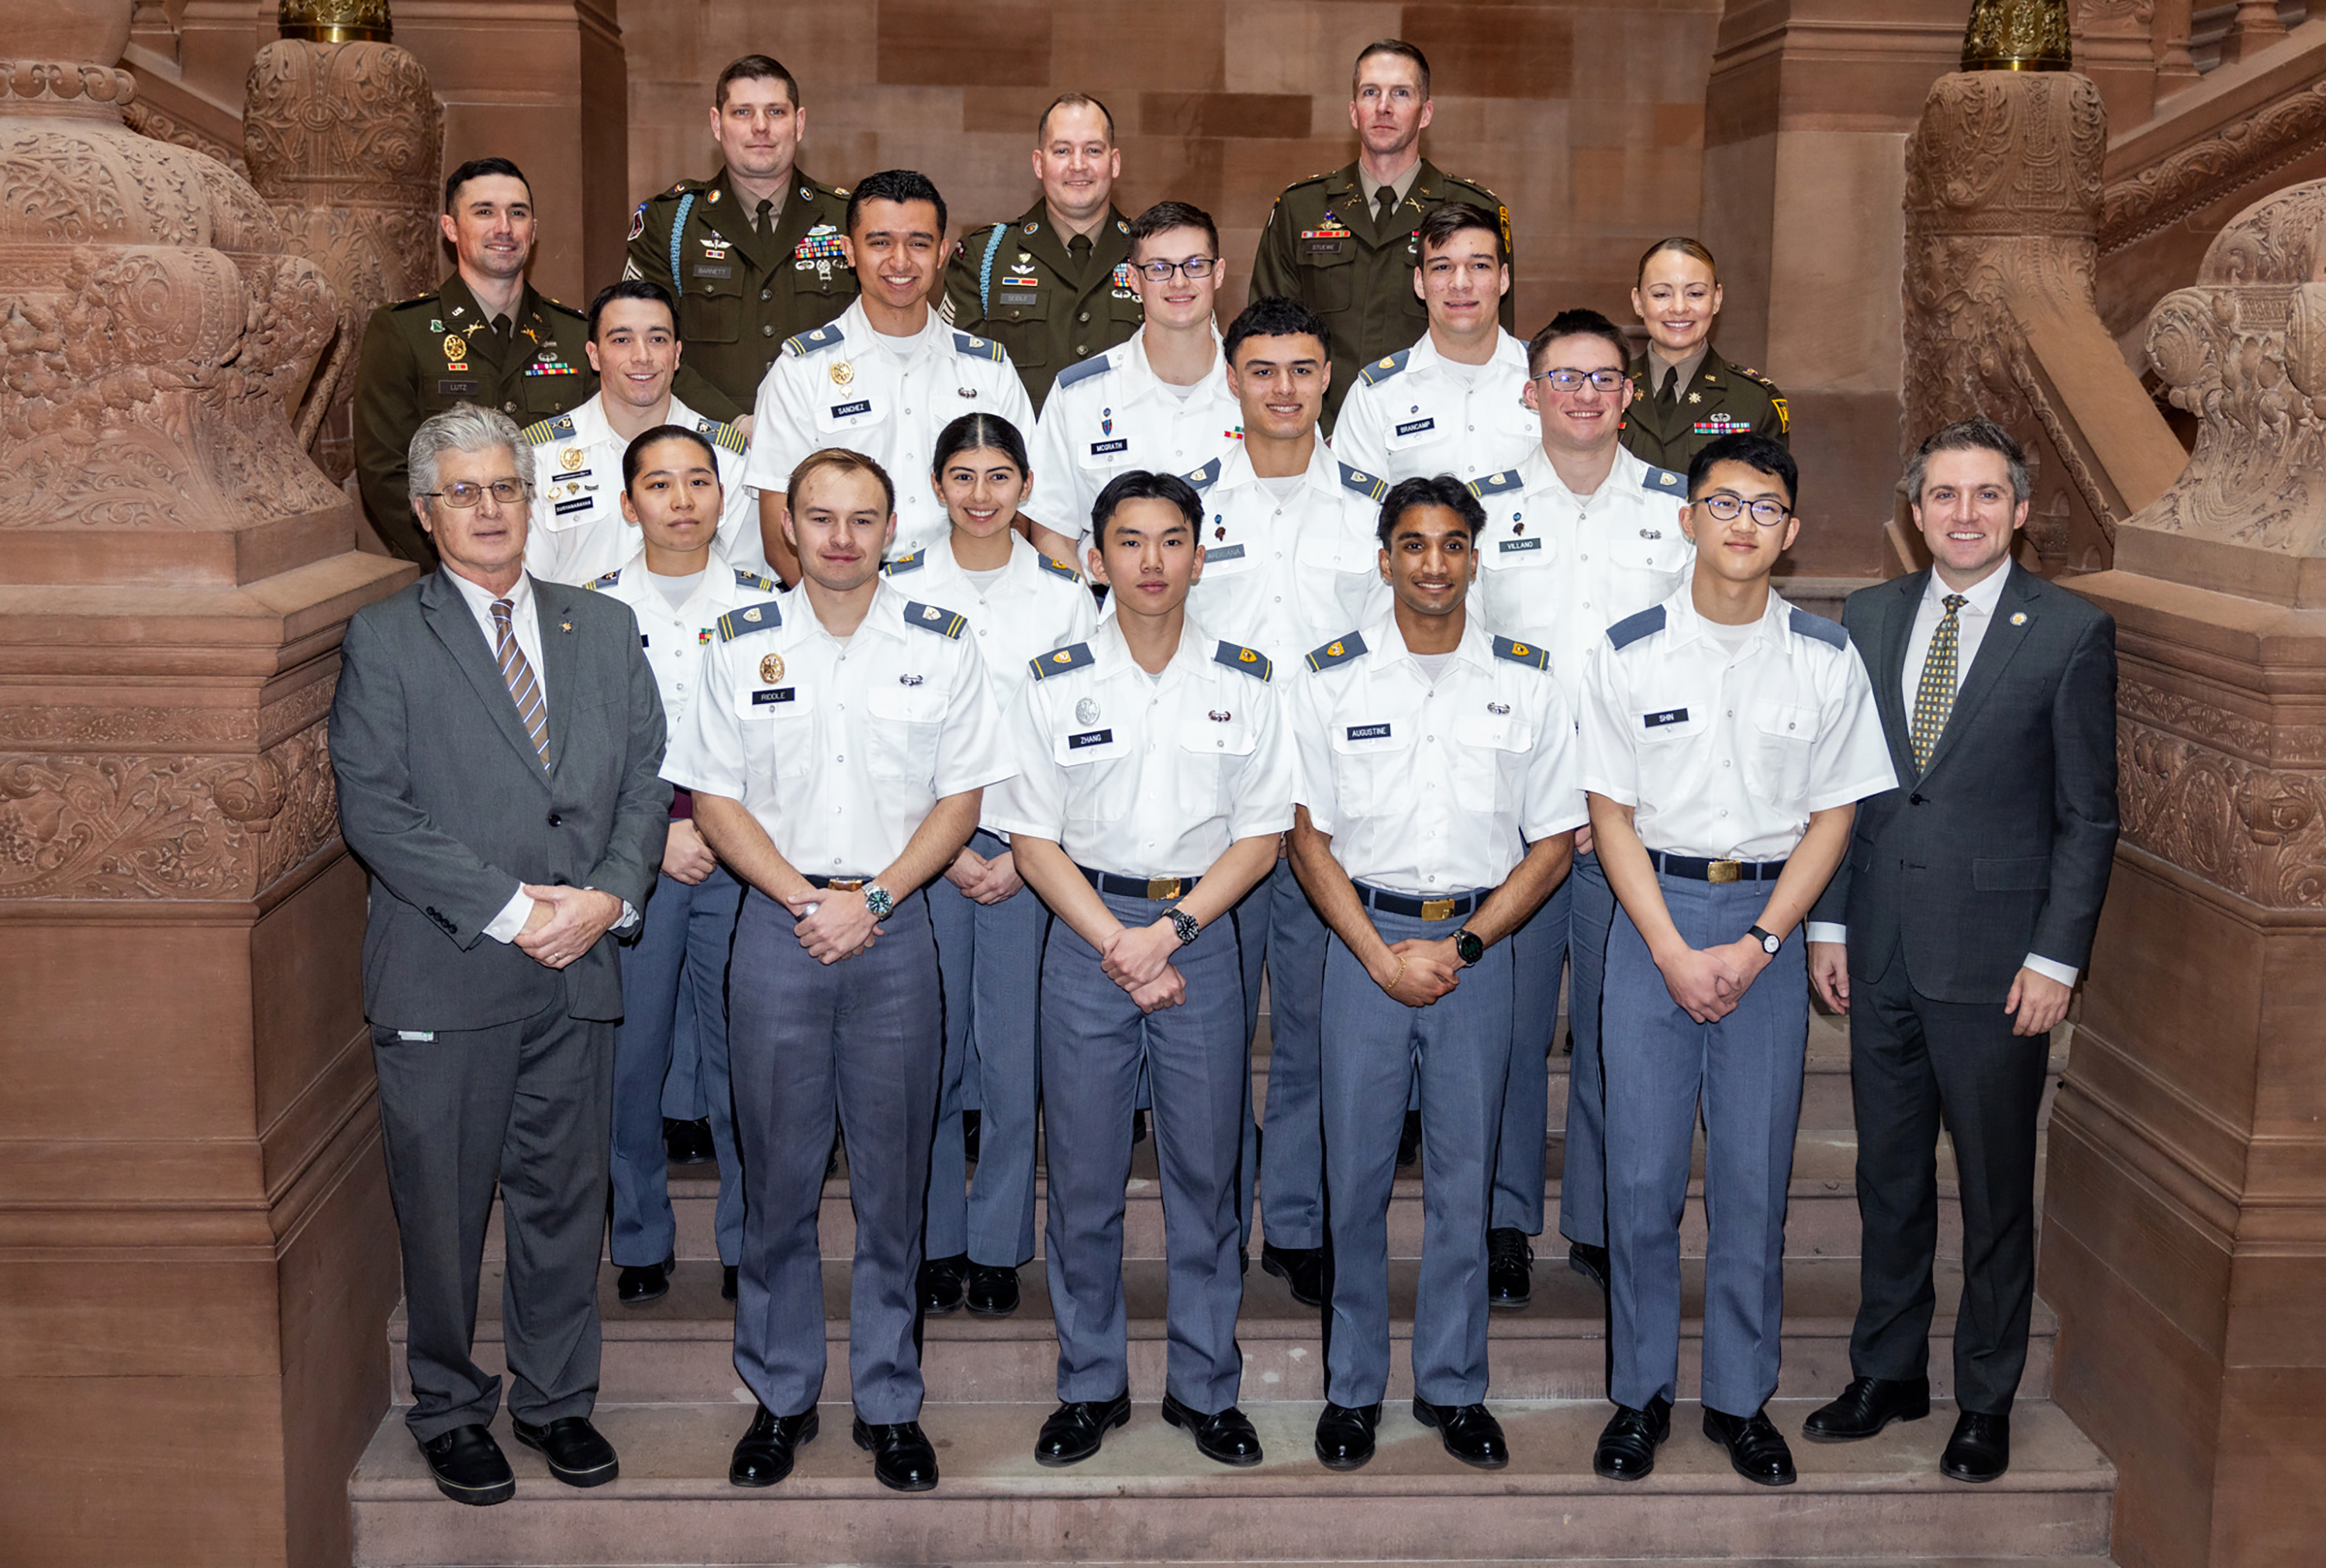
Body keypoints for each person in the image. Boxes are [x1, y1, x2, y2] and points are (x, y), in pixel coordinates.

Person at [327, 405, 670, 1506]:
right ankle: (447, 1401)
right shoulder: (386, 638)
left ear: (532, 500)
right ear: (428, 515)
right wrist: (519, 910)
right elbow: (377, 811)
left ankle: (556, 1399)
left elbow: (645, 781)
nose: (489, 509)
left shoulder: (601, 628)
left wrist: (610, 893)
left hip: (579, 971)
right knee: (440, 1211)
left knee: (565, 1202)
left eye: (505, 488)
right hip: (447, 973)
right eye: (464, 493)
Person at [668, 447, 1012, 1495]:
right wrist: (801, 897)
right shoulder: (734, 642)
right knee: (773, 1178)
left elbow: (961, 800)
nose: (841, 537)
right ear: (790, 528)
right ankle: (780, 1395)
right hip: (778, 923)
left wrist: (870, 900)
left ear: (892, 525)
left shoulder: (943, 643)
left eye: (863, 518)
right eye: (819, 516)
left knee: (895, 1178)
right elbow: (714, 799)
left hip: (896, 921)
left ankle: (889, 1399)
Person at [1802, 419, 2117, 1484]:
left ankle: (1984, 1393)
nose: (1966, 513)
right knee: (1888, 1178)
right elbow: (1845, 784)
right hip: (1881, 944)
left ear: (2020, 510)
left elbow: (2088, 817)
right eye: (1945, 495)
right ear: (1915, 509)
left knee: (1992, 1188)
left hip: (1997, 964)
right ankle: (1888, 1369)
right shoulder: (1870, 613)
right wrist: (1832, 921)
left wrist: (2056, 959)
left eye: (1987, 495)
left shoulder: (2069, 631)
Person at [1577, 432, 1894, 1488]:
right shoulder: (1627, 649)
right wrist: (1669, 947)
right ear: (1688, 518)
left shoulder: (1825, 654)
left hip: (1768, 909)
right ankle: (1640, 1394)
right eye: (1725, 504)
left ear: (1792, 533)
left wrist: (1763, 944)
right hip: (1651, 914)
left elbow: (1835, 811)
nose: (1744, 523)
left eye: (1766, 507)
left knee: (1753, 1180)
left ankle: (1738, 1396)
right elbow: (1609, 811)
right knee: (1643, 1176)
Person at [991, 470, 1292, 1470]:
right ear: (1097, 555)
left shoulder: (1246, 678)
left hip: (1201, 930)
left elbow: (1261, 836)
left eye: (1172, 541)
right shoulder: (1052, 677)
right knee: (1081, 1177)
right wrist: (1120, 941)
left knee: (1208, 1176)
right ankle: (1091, 1384)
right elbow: (1031, 837)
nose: (1152, 561)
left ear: (1200, 557)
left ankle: (1207, 1387)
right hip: (1086, 932)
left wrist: (1169, 932)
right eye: (1130, 541)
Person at [1287, 477, 1582, 1473]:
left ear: (1474, 559)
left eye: (1453, 545)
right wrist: (1377, 955)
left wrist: (1461, 948)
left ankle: (1455, 1386)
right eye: (1412, 545)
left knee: (1466, 1180)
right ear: (1385, 560)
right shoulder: (1330, 678)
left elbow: (1552, 844)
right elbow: (1308, 839)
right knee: (1354, 1179)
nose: (1433, 564)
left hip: (1474, 952)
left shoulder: (1527, 679)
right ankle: (1352, 1389)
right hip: (1362, 948)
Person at [1466, 308, 1696, 1308]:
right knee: (1510, 1035)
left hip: (1628, 821)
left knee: (1615, 1026)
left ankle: (1601, 1219)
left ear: (1630, 392)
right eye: (1565, 378)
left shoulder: (1678, 510)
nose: (1586, 396)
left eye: (1605, 379)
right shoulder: (1481, 507)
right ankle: (1505, 1217)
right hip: (1516, 818)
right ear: (1531, 391)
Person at [1177, 296, 1391, 1308]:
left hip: (1322, 816)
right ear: (1231, 377)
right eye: (1262, 369)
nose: (1283, 389)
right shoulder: (1181, 502)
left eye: (1303, 369)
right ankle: (1215, 1217)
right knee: (1212, 1041)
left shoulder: (1370, 506)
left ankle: (1299, 1217)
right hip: (1208, 816)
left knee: (1309, 1029)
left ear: (1327, 377)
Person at [903, 414, 1097, 1318]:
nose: (981, 496)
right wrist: (934, 854)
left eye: (999, 477)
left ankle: (996, 1241)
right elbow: (887, 734)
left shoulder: (1061, 593)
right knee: (931, 1050)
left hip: (1029, 853)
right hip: (923, 853)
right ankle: (935, 1234)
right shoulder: (898, 583)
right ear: (937, 485)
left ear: (1026, 487)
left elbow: (1074, 731)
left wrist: (1027, 851)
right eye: (963, 476)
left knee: (1014, 1055)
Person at [585, 425, 777, 1311]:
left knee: (748, 1059)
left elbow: (786, 741)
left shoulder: (769, 601)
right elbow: (576, 754)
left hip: (745, 862)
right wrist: (657, 832)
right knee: (635, 1056)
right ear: (629, 505)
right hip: (637, 860)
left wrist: (716, 826)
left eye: (699, 481)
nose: (682, 500)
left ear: (722, 497)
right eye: (659, 485)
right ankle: (641, 1236)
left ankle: (750, 1236)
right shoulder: (585, 611)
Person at [744, 170, 1041, 583]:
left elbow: (1021, 513)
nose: (900, 261)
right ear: (848, 251)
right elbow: (781, 538)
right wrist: (853, 622)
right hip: (848, 606)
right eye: (880, 242)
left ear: (941, 253)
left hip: (968, 597)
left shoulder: (988, 369)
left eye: (918, 244)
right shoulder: (800, 372)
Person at [1249, 40, 1511, 428]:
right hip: (1320, 437)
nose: (1384, 106)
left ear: (1426, 113)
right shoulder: (1300, 209)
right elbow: (1268, 335)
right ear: (1354, 112)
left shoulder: (1475, 211)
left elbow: (1496, 344)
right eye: (1371, 92)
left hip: (1438, 437)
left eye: (1401, 93)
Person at [355, 159, 595, 564]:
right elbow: (385, 474)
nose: (503, 227)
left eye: (517, 213)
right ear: (451, 228)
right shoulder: (403, 332)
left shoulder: (576, 335)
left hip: (562, 568)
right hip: (446, 577)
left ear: (533, 231)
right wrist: (461, 560)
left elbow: (596, 459)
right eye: (484, 211)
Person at [623, 54, 855, 425]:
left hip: (826, 437)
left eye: (776, 112)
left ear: (799, 123)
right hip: (703, 444)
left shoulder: (848, 219)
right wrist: (730, 422)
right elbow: (642, 345)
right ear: (717, 124)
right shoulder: (670, 223)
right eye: (743, 113)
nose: (760, 127)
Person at [1027, 201, 1241, 563]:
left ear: (1218, 273)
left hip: (1238, 614)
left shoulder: (1264, 390)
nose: (1179, 281)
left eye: (1195, 265)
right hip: (1112, 614)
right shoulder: (1080, 396)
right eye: (1159, 268)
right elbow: (1053, 534)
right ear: (1132, 278)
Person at [521, 281, 761, 585]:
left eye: (657, 339)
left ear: (676, 355)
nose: (642, 356)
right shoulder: (541, 457)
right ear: (594, 356)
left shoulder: (728, 458)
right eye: (622, 340)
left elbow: (744, 586)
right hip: (578, 630)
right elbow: (530, 588)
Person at [941, 93, 1141, 409]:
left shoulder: (1154, 257)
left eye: (1093, 150)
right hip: (1023, 455)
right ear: (1039, 163)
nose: (1078, 165)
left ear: (1114, 163)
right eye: (1062, 150)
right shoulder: (985, 259)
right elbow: (957, 379)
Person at [1329, 202, 1537, 486]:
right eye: (1442, 267)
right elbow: (1358, 516)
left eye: (1478, 265)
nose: (1460, 283)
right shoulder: (1376, 397)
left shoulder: (1550, 381)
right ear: (1419, 282)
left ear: (1502, 279)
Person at [1620, 237, 1788, 474]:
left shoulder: (1755, 400)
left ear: (1717, 299)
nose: (1679, 307)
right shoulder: (1606, 388)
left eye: (1696, 293)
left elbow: (1767, 500)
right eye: (1661, 295)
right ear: (1638, 302)